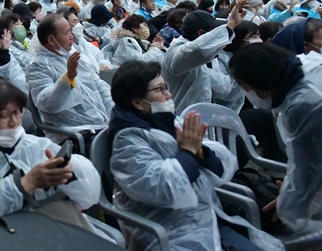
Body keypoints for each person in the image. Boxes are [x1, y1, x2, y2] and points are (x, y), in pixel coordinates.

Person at [108, 61, 282, 251]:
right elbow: (162, 188)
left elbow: (220, 170)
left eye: (166, 87)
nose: (169, 94)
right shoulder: (128, 139)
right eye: (160, 90)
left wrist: (202, 154)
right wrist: (189, 152)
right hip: (170, 233)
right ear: (137, 102)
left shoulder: (169, 121)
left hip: (206, 220)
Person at [0, 75, 101, 234]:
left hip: (50, 232)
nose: (15, 122)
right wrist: (24, 184)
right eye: (3, 115)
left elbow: (88, 196)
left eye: (18, 112)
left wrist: (68, 174)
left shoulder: (35, 146)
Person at [229, 43, 322, 232]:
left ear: (261, 79)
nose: (250, 94)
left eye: (246, 87)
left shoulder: (302, 104)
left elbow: (309, 168)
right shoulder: (307, 67)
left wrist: (288, 208)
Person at [26, 14, 113, 145]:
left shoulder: (73, 55)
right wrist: (68, 78)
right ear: (51, 40)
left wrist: (115, 113)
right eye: (67, 32)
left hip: (101, 125)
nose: (72, 36)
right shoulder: (38, 67)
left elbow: (99, 86)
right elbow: (48, 103)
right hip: (74, 134)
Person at [162, 0, 246, 114]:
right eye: (213, 32)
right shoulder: (176, 53)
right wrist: (231, 25)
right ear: (201, 34)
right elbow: (197, 50)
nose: (217, 36)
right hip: (177, 119)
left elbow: (223, 88)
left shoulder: (210, 55)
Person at [213, 21, 260, 113]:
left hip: (243, 104)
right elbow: (226, 93)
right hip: (223, 110)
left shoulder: (248, 56)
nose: (258, 40)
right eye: (253, 37)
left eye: (259, 36)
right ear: (239, 40)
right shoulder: (220, 58)